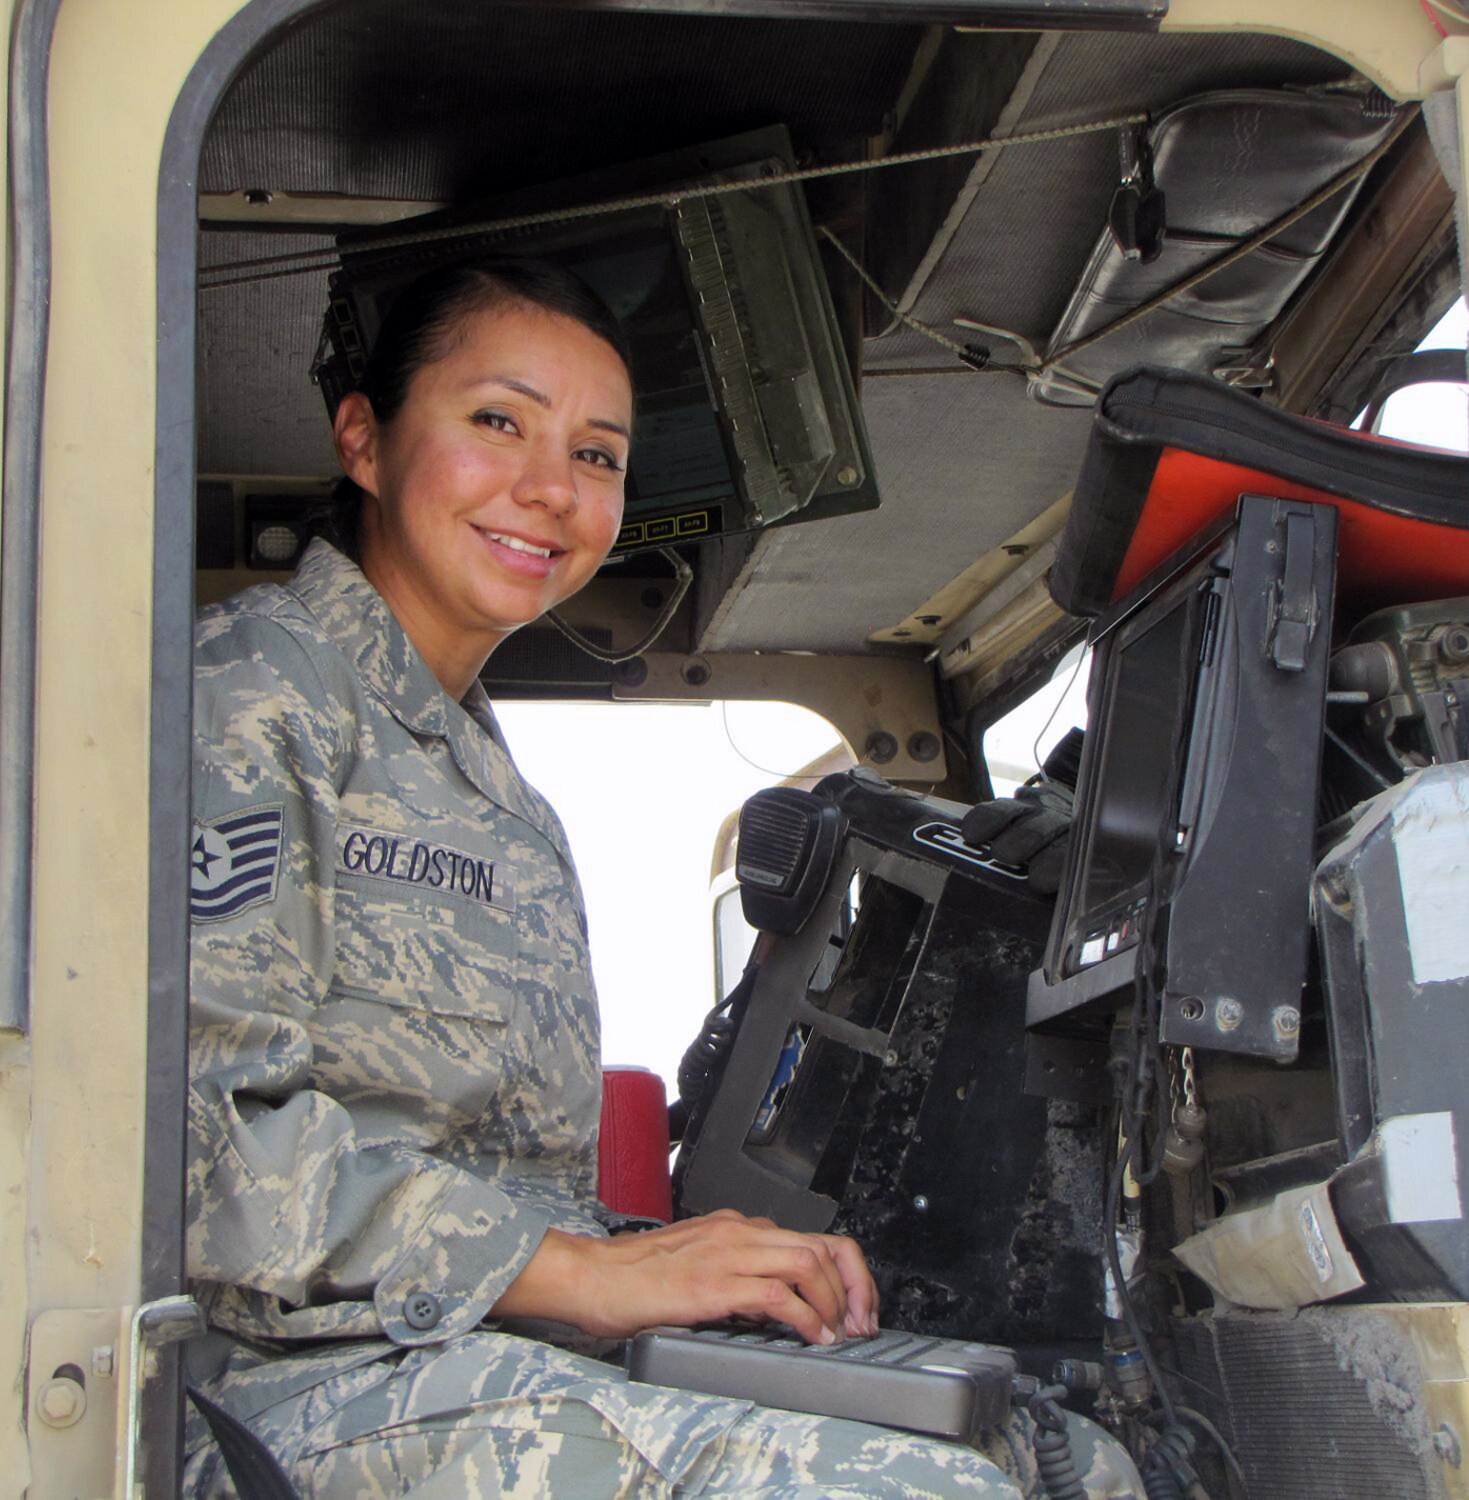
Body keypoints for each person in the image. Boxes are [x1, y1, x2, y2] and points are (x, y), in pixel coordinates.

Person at [183, 256, 1138, 1498]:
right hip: (280, 1389)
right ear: (364, 439)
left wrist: (687, 1258)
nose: (550, 488)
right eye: (497, 422)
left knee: (1064, 1458)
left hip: (470, 1354)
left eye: (595, 454)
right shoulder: (254, 694)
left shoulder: (488, 784)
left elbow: (499, 1186)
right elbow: (198, 1154)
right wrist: (593, 1275)